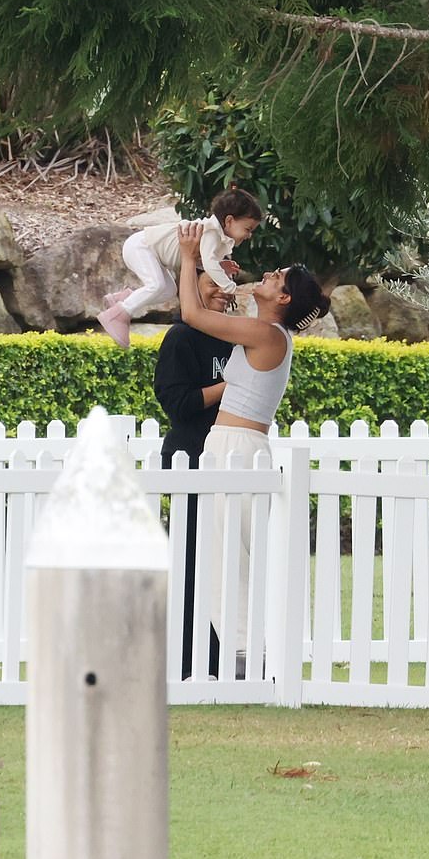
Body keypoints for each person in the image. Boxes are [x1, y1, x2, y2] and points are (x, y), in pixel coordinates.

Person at [176, 221, 331, 678]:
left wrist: (189, 258)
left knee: (227, 555)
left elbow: (194, 315)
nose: (267, 275)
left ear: (283, 299)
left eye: (276, 278)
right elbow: (220, 300)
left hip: (237, 447)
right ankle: (245, 652)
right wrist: (213, 266)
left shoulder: (266, 335)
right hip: (232, 445)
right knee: (224, 552)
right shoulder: (265, 330)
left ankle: (248, 656)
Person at [154, 270, 234, 680]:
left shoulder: (231, 334)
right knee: (189, 564)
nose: (222, 290)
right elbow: (178, 403)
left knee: (216, 565)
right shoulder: (181, 338)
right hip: (190, 459)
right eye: (211, 283)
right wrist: (229, 384)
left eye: (225, 282)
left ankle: (213, 654)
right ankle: (190, 658)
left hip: (225, 463)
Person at [97, 188, 262, 348]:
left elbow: (202, 261)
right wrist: (229, 286)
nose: (249, 235)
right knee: (157, 285)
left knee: (168, 290)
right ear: (229, 221)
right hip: (141, 246)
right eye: (247, 229)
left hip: (151, 253)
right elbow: (208, 262)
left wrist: (221, 266)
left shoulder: (216, 238)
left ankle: (123, 299)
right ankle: (119, 314)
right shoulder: (211, 233)